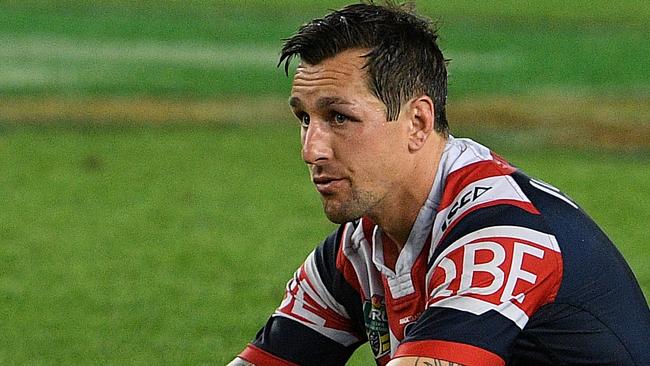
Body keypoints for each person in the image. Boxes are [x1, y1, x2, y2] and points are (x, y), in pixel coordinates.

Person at [228, 2, 650, 365]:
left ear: (418, 122)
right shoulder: (358, 252)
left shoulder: (499, 234)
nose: (311, 149)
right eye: (305, 118)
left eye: (339, 117)